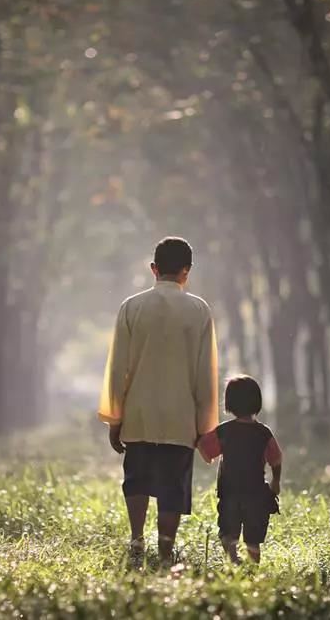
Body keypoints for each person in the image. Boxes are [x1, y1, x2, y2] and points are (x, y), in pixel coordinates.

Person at [98, 236, 219, 566]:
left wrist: (115, 418)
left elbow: (118, 367)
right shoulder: (198, 310)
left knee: (135, 477)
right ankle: (166, 552)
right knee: (173, 487)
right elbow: (204, 374)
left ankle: (137, 540)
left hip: (138, 412)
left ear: (153, 269)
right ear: (186, 272)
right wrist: (206, 426)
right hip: (180, 418)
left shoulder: (132, 307)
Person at [198, 375, 282, 564]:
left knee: (228, 530)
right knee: (254, 537)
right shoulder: (263, 432)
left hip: (229, 491)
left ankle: (233, 560)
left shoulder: (224, 431)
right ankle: (253, 569)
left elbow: (206, 453)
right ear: (257, 402)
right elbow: (276, 459)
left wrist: (198, 438)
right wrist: (276, 481)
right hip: (256, 493)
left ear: (229, 403)